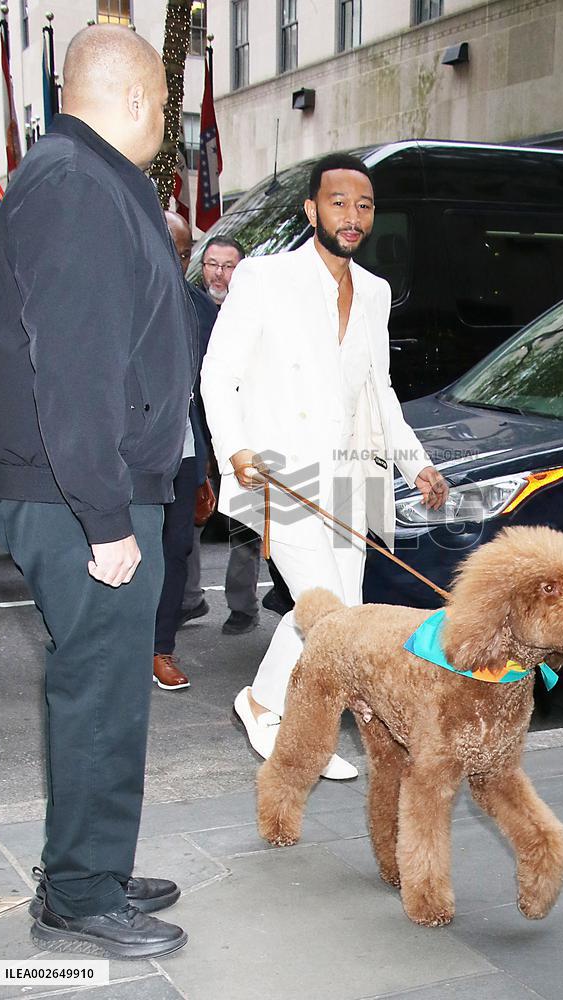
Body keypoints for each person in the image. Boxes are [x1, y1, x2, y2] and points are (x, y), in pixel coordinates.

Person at [0, 25, 196, 958]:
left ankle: (93, 865)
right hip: (84, 495)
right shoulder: (76, 186)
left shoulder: (81, 180)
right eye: (167, 106)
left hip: (95, 486)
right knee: (101, 692)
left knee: (108, 688)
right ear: (135, 101)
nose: (170, 122)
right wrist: (106, 518)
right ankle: (78, 892)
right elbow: (74, 367)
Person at [201, 152, 448, 781]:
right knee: (327, 607)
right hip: (277, 469)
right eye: (339, 202)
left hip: (348, 474)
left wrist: (414, 462)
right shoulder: (263, 278)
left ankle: (298, 725)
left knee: (341, 610)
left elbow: (378, 392)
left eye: (364, 206)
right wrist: (235, 448)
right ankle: (264, 704)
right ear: (312, 209)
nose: (352, 215)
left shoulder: (374, 292)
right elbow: (218, 372)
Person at [180, 235, 276, 637]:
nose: (219, 273)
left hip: (245, 432)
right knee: (191, 518)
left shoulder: (258, 309)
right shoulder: (189, 308)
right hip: (201, 430)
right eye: (212, 264)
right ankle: (188, 600)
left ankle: (243, 606)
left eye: (228, 265)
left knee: (245, 524)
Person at [152, 213, 219, 691]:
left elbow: (214, 387)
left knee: (176, 550)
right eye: (169, 246)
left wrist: (212, 459)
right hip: (134, 452)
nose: (178, 258)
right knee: (131, 551)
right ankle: (120, 646)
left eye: (183, 249)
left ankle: (161, 648)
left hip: (187, 448)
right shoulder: (125, 298)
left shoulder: (202, 308)